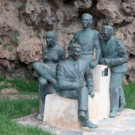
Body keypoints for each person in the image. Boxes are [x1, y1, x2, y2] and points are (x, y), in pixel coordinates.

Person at [56, 43, 97, 128]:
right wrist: (77, 85)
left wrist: (90, 89)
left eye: (80, 52)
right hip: (66, 91)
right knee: (83, 88)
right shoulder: (61, 65)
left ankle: (82, 113)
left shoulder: (83, 62)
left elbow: (89, 76)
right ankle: (85, 119)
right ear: (70, 52)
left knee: (84, 90)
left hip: (80, 89)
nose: (79, 54)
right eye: (76, 52)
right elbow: (60, 84)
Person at [33, 31, 66, 118]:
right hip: (46, 72)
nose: (47, 40)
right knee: (42, 82)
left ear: (54, 39)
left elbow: (64, 64)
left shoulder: (60, 49)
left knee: (36, 65)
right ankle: (43, 104)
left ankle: (52, 79)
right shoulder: (44, 48)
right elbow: (44, 62)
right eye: (46, 38)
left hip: (55, 71)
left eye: (50, 38)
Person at [100, 25, 129, 118]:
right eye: (102, 32)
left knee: (113, 88)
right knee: (117, 86)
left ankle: (114, 108)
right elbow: (101, 55)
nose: (103, 34)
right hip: (109, 68)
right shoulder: (102, 42)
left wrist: (110, 61)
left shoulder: (117, 42)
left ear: (111, 33)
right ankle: (123, 102)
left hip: (118, 68)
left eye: (105, 32)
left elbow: (125, 58)